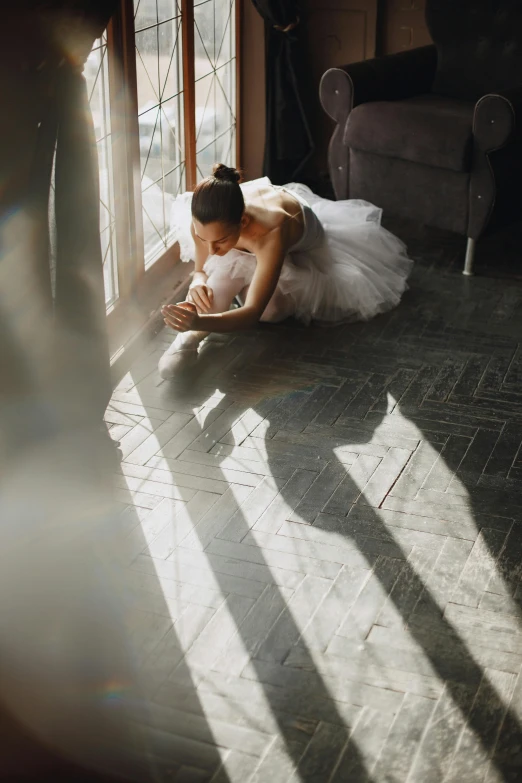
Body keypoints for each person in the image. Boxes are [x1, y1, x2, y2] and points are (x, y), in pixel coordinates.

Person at [159, 163, 413, 378]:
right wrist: (197, 281)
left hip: (302, 249)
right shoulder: (206, 220)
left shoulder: (271, 233)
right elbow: (201, 268)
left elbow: (250, 314)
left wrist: (199, 320)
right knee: (217, 281)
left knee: (269, 311)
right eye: (205, 240)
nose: (211, 250)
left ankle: (212, 315)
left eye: (220, 241)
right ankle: (188, 340)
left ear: (243, 222)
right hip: (248, 235)